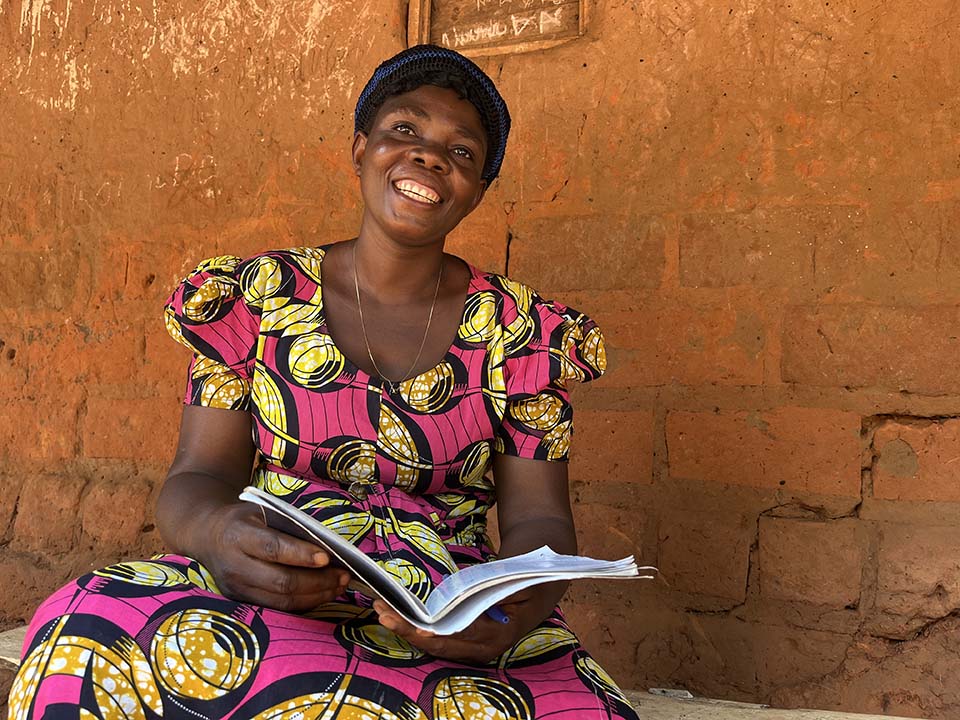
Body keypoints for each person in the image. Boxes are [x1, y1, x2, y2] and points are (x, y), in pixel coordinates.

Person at [8, 44, 639, 720]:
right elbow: (197, 477)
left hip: (442, 616)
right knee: (85, 630)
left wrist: (509, 611)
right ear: (360, 148)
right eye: (405, 129)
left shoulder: (526, 333)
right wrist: (220, 537)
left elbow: (540, 521)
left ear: (478, 189)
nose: (428, 156)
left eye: (461, 152)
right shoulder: (254, 298)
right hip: (268, 585)